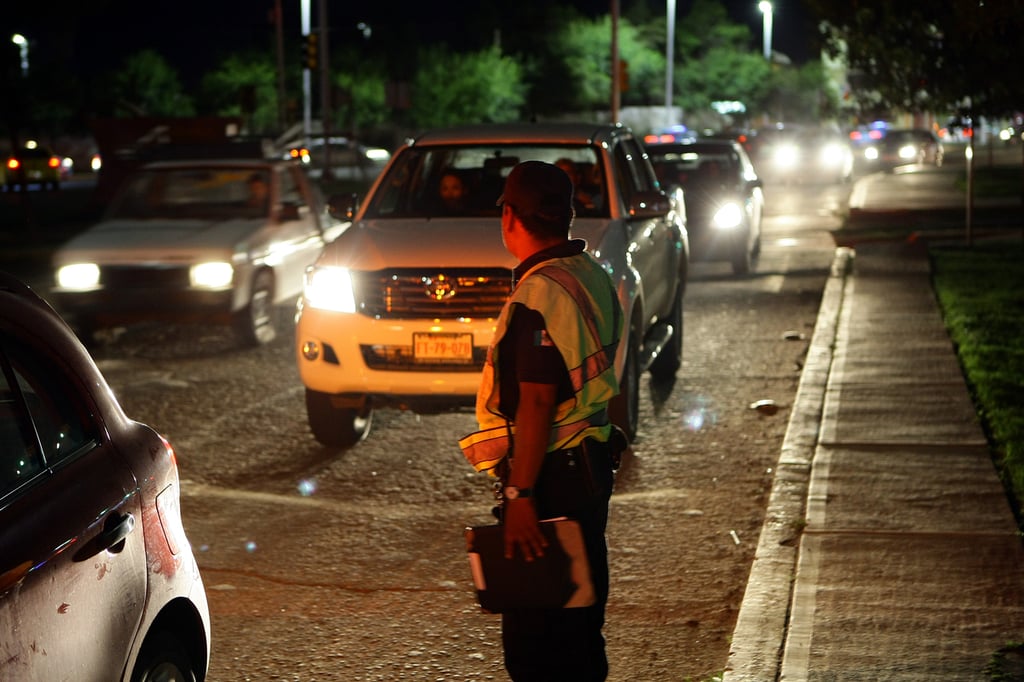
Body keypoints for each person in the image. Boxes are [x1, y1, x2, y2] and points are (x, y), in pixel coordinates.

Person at [459, 160, 625, 681]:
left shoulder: (539, 295)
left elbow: (534, 405)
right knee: (579, 625)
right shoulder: (588, 273)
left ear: (510, 217)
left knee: (537, 650)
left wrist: (521, 497)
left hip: (552, 482)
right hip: (590, 466)